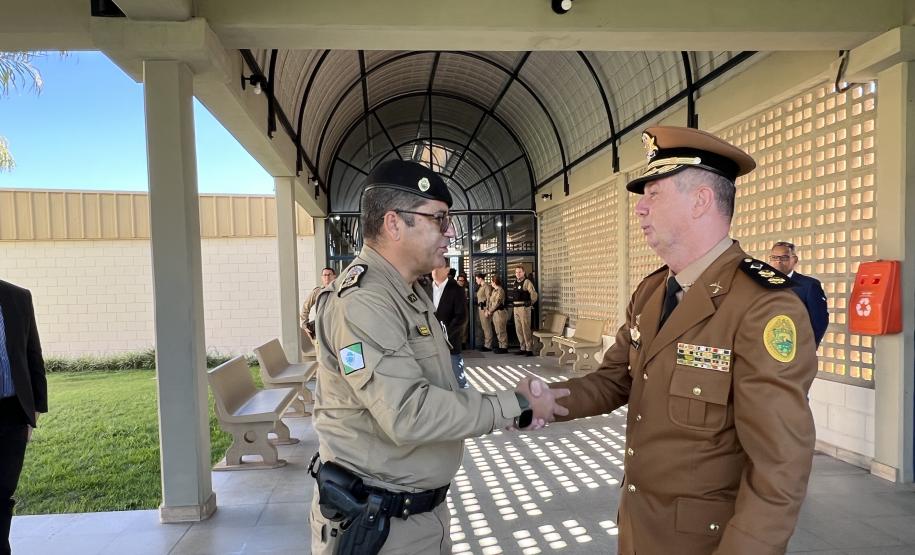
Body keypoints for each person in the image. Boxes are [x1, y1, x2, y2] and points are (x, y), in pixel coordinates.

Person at [526, 126, 818, 555]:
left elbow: (781, 463)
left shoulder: (763, 305)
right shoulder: (652, 291)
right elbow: (613, 380)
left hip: (704, 542)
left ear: (700, 200)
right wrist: (548, 401)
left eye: (654, 193)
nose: (640, 208)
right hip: (638, 528)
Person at [308, 159, 568, 554]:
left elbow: (437, 387)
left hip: (413, 515)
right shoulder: (363, 302)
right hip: (380, 527)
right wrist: (514, 405)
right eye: (439, 218)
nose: (450, 232)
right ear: (394, 223)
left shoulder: (407, 292)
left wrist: (505, 409)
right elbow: (408, 413)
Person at [0, 280, 47, 555]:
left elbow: (32, 354)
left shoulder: (17, 297)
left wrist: (34, 411)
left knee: (3, 493)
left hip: (12, 413)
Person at [769, 241, 829, 347]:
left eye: (784, 257)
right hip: (769, 346)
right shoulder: (764, 284)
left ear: (794, 260)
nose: (778, 261)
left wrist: (809, 348)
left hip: (798, 346)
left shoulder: (809, 285)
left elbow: (819, 321)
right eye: (774, 257)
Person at [423, 263, 469, 388]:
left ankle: (464, 397)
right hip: (429, 343)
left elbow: (461, 316)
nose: (435, 271)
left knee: (458, 380)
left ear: (447, 270)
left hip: (450, 342)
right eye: (433, 267)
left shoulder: (457, 289)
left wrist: (445, 334)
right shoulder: (425, 288)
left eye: (438, 267)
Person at [301, 267, 337, 341]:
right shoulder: (317, 291)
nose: (327, 277)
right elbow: (306, 306)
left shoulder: (339, 290)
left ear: (334, 276)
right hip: (321, 327)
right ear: (322, 277)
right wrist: (305, 324)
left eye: (329, 275)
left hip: (336, 326)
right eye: (325, 275)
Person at [511, 265, 538, 356]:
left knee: (525, 328)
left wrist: (530, 303)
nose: (518, 274)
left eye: (520, 272)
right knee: (518, 329)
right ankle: (522, 347)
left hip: (524, 308)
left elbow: (534, 294)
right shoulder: (515, 282)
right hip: (516, 307)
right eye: (516, 272)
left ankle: (529, 349)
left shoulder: (527, 282)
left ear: (523, 272)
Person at [487, 276, 509, 354]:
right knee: (498, 330)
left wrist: (490, 311)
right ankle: (500, 346)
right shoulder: (494, 291)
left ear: (495, 282)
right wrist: (489, 310)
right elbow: (491, 301)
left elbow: (497, 303)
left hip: (500, 312)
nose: (491, 283)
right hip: (495, 313)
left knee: (501, 330)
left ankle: (504, 347)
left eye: (492, 282)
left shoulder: (500, 290)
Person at [474, 273, 494, 352]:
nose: (476, 281)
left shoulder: (486, 286)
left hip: (485, 308)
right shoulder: (481, 287)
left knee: (487, 326)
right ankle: (486, 344)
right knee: (484, 327)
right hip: (481, 308)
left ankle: (488, 345)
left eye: (476, 279)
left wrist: (488, 310)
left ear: (480, 278)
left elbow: (489, 298)